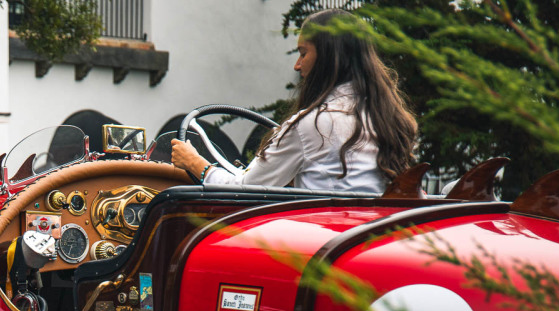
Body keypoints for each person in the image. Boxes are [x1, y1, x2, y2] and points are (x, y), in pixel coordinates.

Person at [172, 9, 417, 194]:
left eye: (303, 53)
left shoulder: (313, 125)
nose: (297, 65)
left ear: (328, 58)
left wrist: (195, 163)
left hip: (323, 244)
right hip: (376, 240)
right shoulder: (389, 118)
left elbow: (245, 189)